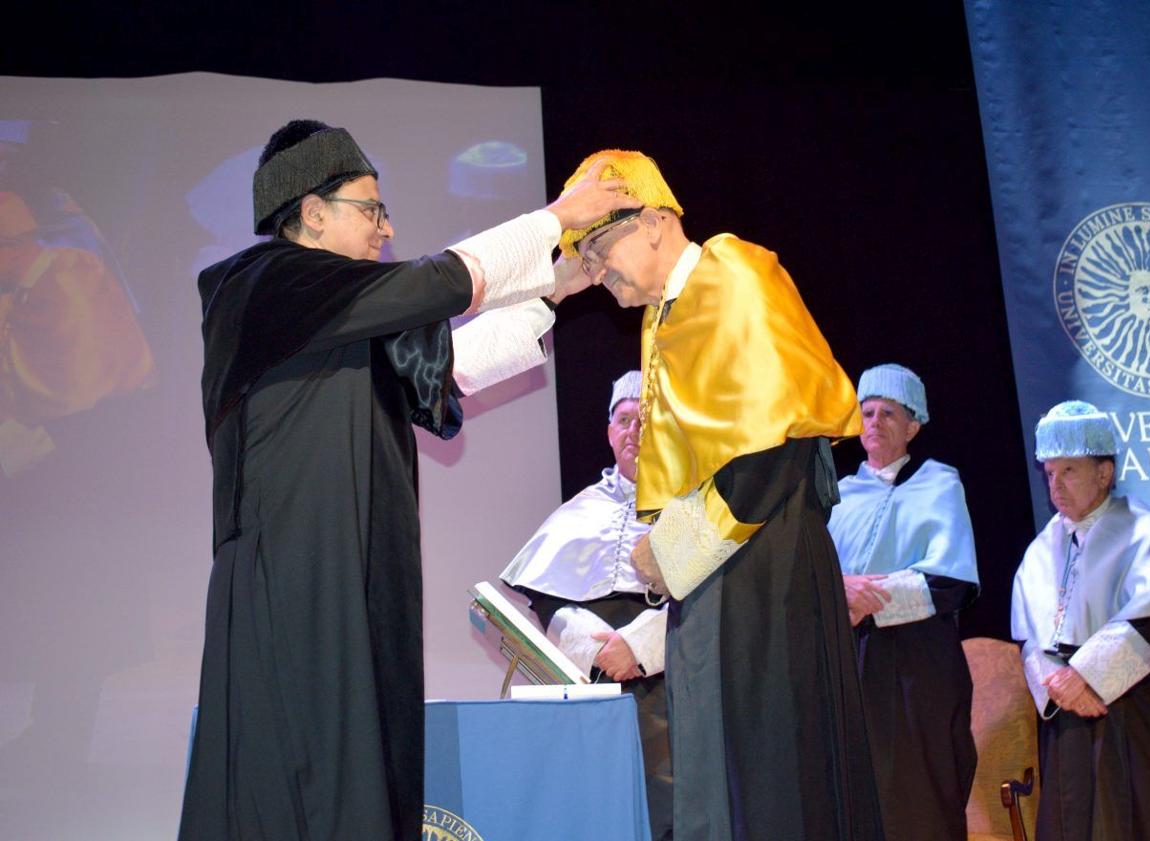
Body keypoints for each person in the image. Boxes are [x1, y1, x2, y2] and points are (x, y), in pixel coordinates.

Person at [179, 120, 636, 841]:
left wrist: (554, 287)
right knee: (297, 778)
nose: (385, 229)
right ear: (311, 212)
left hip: (355, 575)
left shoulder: (338, 316)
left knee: (363, 769)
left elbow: (441, 363)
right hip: (293, 575)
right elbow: (437, 283)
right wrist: (555, 219)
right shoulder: (261, 285)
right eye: (371, 209)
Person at [559, 149, 882, 841]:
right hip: (720, 577)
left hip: (768, 573)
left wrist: (667, 553)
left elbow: (767, 454)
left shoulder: (731, 273)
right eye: (584, 257)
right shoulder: (663, 314)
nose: (595, 271)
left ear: (652, 221)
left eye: (598, 246)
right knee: (720, 777)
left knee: (772, 782)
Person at [1011, 400, 1150, 841]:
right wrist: (1058, 683)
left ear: (1104, 473)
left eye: (1069, 471)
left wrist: (1087, 676)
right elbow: (1030, 640)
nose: (1056, 485)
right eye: (1049, 473)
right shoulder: (1042, 549)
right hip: (1069, 721)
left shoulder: (1146, 531)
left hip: (1138, 711)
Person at [501, 370, 672, 840]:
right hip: (590, 673)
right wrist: (592, 647)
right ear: (609, 432)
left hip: (666, 672)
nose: (634, 431)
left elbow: (706, 594)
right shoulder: (580, 507)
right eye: (624, 420)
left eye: (646, 420)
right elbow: (545, 595)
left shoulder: (690, 502)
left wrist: (635, 647)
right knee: (593, 795)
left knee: (664, 796)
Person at [826, 363, 979, 841]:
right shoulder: (838, 497)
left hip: (919, 662)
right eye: (867, 413)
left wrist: (866, 599)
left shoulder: (939, 483)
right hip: (852, 660)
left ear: (913, 425)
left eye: (888, 413)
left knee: (919, 795)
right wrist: (839, 595)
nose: (874, 422)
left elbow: (950, 581)